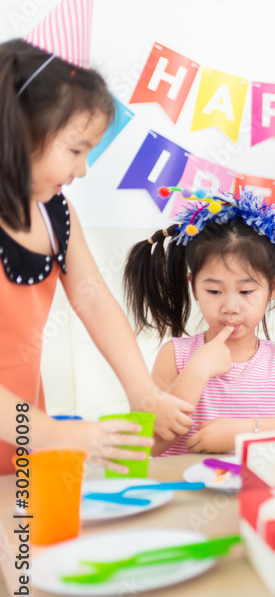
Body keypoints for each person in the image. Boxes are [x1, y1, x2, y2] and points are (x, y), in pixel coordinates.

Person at [0, 39, 191, 473]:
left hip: (20, 434)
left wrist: (144, 392)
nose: (83, 170)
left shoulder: (55, 213)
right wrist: (55, 434)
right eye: (75, 149)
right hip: (35, 428)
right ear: (17, 132)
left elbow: (94, 301)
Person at [123, 188, 275, 455]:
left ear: (273, 287)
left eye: (246, 292)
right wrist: (196, 370)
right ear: (194, 286)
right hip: (186, 493)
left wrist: (246, 431)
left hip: (260, 490)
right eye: (213, 291)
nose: (230, 307)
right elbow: (147, 445)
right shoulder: (175, 356)